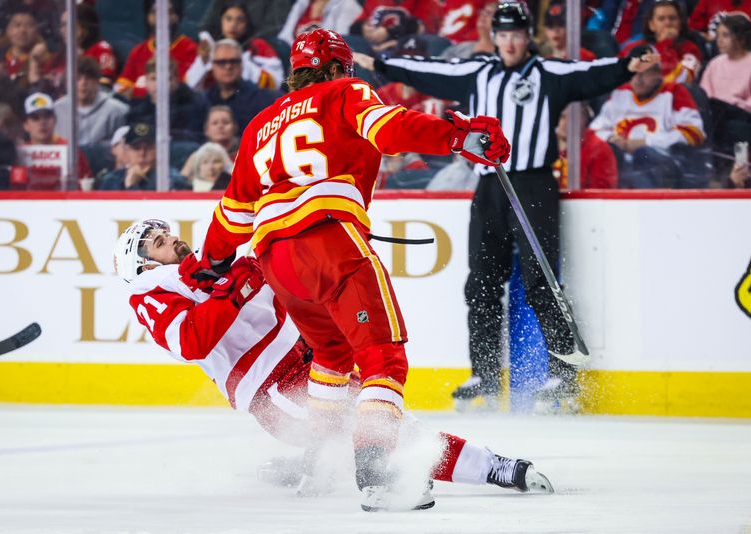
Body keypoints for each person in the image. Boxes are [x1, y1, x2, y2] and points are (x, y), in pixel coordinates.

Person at [185, 27, 511, 512]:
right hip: (331, 243)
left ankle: (318, 462)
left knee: (331, 357)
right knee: (382, 359)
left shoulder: (258, 125)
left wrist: (211, 264)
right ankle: (376, 473)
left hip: (277, 260)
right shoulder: (346, 92)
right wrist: (459, 136)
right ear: (338, 67)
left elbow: (233, 214)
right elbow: (391, 128)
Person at [113, 219, 552, 507]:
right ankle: (493, 468)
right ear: (142, 262)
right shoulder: (149, 292)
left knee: (383, 420)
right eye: (158, 241)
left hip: (319, 363)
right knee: (387, 430)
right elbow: (191, 339)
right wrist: (238, 284)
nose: (172, 239)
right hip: (276, 390)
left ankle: (315, 463)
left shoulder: (216, 266)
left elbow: (286, 268)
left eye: (167, 232)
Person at [354, 2, 661, 409]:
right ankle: (482, 373)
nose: (510, 42)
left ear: (526, 37)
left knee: (542, 281)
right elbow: (431, 71)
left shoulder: (548, 73)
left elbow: (590, 75)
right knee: (480, 282)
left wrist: (626, 67)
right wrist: (382, 64)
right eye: (503, 34)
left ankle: (562, 375)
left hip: (534, 185)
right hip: (489, 187)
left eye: (517, 34)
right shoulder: (478, 71)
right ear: (495, 37)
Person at [589, 47, 706, 188]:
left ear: (657, 72)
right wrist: (612, 139)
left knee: (643, 154)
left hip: (662, 164)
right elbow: (593, 131)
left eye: (643, 74)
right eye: (633, 74)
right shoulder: (620, 93)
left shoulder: (673, 92)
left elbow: (694, 132)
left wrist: (644, 142)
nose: (637, 80)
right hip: (623, 165)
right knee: (607, 153)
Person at [187, 1, 285, 91]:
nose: (233, 25)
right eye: (228, 19)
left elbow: (276, 83)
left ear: (247, 24)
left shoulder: (258, 46)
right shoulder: (210, 47)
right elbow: (190, 88)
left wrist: (241, 60)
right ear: (221, 21)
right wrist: (203, 61)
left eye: (240, 20)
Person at [114, 0, 197, 100]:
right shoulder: (138, 51)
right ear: (148, 17)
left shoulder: (190, 49)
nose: (161, 18)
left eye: (168, 12)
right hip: (139, 111)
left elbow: (180, 90)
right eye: (154, 12)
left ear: (177, 17)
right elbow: (120, 90)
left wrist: (136, 91)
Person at [699, 14, 751, 173]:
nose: (719, 40)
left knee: (737, 128)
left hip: (742, 114)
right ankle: (711, 172)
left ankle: (740, 169)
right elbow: (704, 92)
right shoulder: (715, 64)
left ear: (741, 38)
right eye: (718, 35)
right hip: (716, 112)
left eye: (725, 35)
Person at [203, 39, 281, 134]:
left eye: (234, 61)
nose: (228, 67)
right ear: (212, 66)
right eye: (222, 62)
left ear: (242, 65)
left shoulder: (263, 99)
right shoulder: (204, 101)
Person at [19, 92, 93, 190]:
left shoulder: (71, 152)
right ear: (26, 125)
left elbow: (85, 185)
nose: (42, 122)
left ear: (55, 120)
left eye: (47, 116)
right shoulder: (19, 154)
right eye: (35, 118)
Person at [618, 0, 701, 84]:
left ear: (680, 23)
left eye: (672, 18)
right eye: (661, 19)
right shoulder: (634, 47)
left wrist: (665, 44)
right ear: (651, 25)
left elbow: (686, 79)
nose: (667, 23)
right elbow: (617, 75)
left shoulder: (690, 49)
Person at [127, 59, 209, 143]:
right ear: (146, 82)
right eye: (153, 78)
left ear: (176, 81)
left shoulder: (195, 105)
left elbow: (201, 137)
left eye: (166, 78)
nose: (159, 84)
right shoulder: (137, 111)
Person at [54, 58, 129, 146]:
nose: (83, 83)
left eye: (88, 78)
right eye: (77, 78)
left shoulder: (117, 111)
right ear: (68, 82)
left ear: (97, 81)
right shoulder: (56, 109)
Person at [98, 122, 188, 191]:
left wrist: (131, 187)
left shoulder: (171, 180)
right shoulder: (111, 180)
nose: (142, 153)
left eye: (148, 148)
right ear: (127, 151)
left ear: (158, 150)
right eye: (136, 148)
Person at [553, 105, 618, 189]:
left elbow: (600, 192)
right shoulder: (547, 144)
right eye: (562, 117)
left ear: (585, 121)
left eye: (572, 119)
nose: (565, 123)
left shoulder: (599, 149)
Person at [60, 4, 118, 86]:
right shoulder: (63, 55)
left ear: (82, 27)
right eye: (62, 25)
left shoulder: (101, 49)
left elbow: (105, 85)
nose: (62, 31)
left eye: (66, 25)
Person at [277, 0, 363, 44]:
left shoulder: (348, 5)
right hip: (292, 56)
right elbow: (284, 37)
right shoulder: (302, 3)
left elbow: (340, 43)